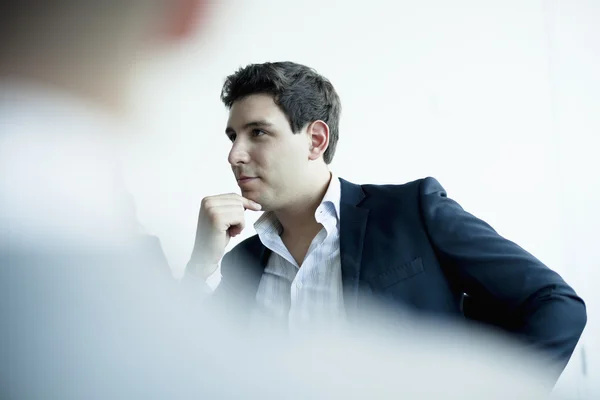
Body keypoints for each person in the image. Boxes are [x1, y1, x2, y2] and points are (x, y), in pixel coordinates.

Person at [186, 61, 587, 384]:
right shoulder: (242, 264)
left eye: (258, 133)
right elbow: (186, 370)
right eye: (232, 136)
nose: (235, 154)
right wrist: (199, 268)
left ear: (315, 140)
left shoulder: (413, 211)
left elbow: (556, 305)